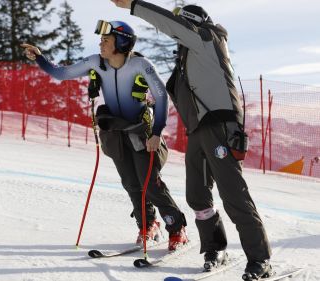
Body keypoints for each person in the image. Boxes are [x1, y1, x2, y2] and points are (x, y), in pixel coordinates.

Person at [110, 0, 273, 279]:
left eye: (182, 22)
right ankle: (215, 248)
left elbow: (172, 25)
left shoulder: (207, 37)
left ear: (191, 22)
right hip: (198, 131)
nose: (178, 33)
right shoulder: (191, 55)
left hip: (219, 127)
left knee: (234, 196)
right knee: (197, 196)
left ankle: (260, 260)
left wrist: (135, 5)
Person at [21, 20, 188, 251]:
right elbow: (61, 73)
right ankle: (147, 225)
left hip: (141, 133)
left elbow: (162, 98)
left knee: (150, 184)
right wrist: (39, 57)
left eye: (106, 40)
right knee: (131, 183)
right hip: (115, 133)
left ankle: (177, 228)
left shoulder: (141, 64)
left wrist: (157, 133)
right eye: (101, 40)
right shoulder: (96, 62)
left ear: (121, 42)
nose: (100, 44)